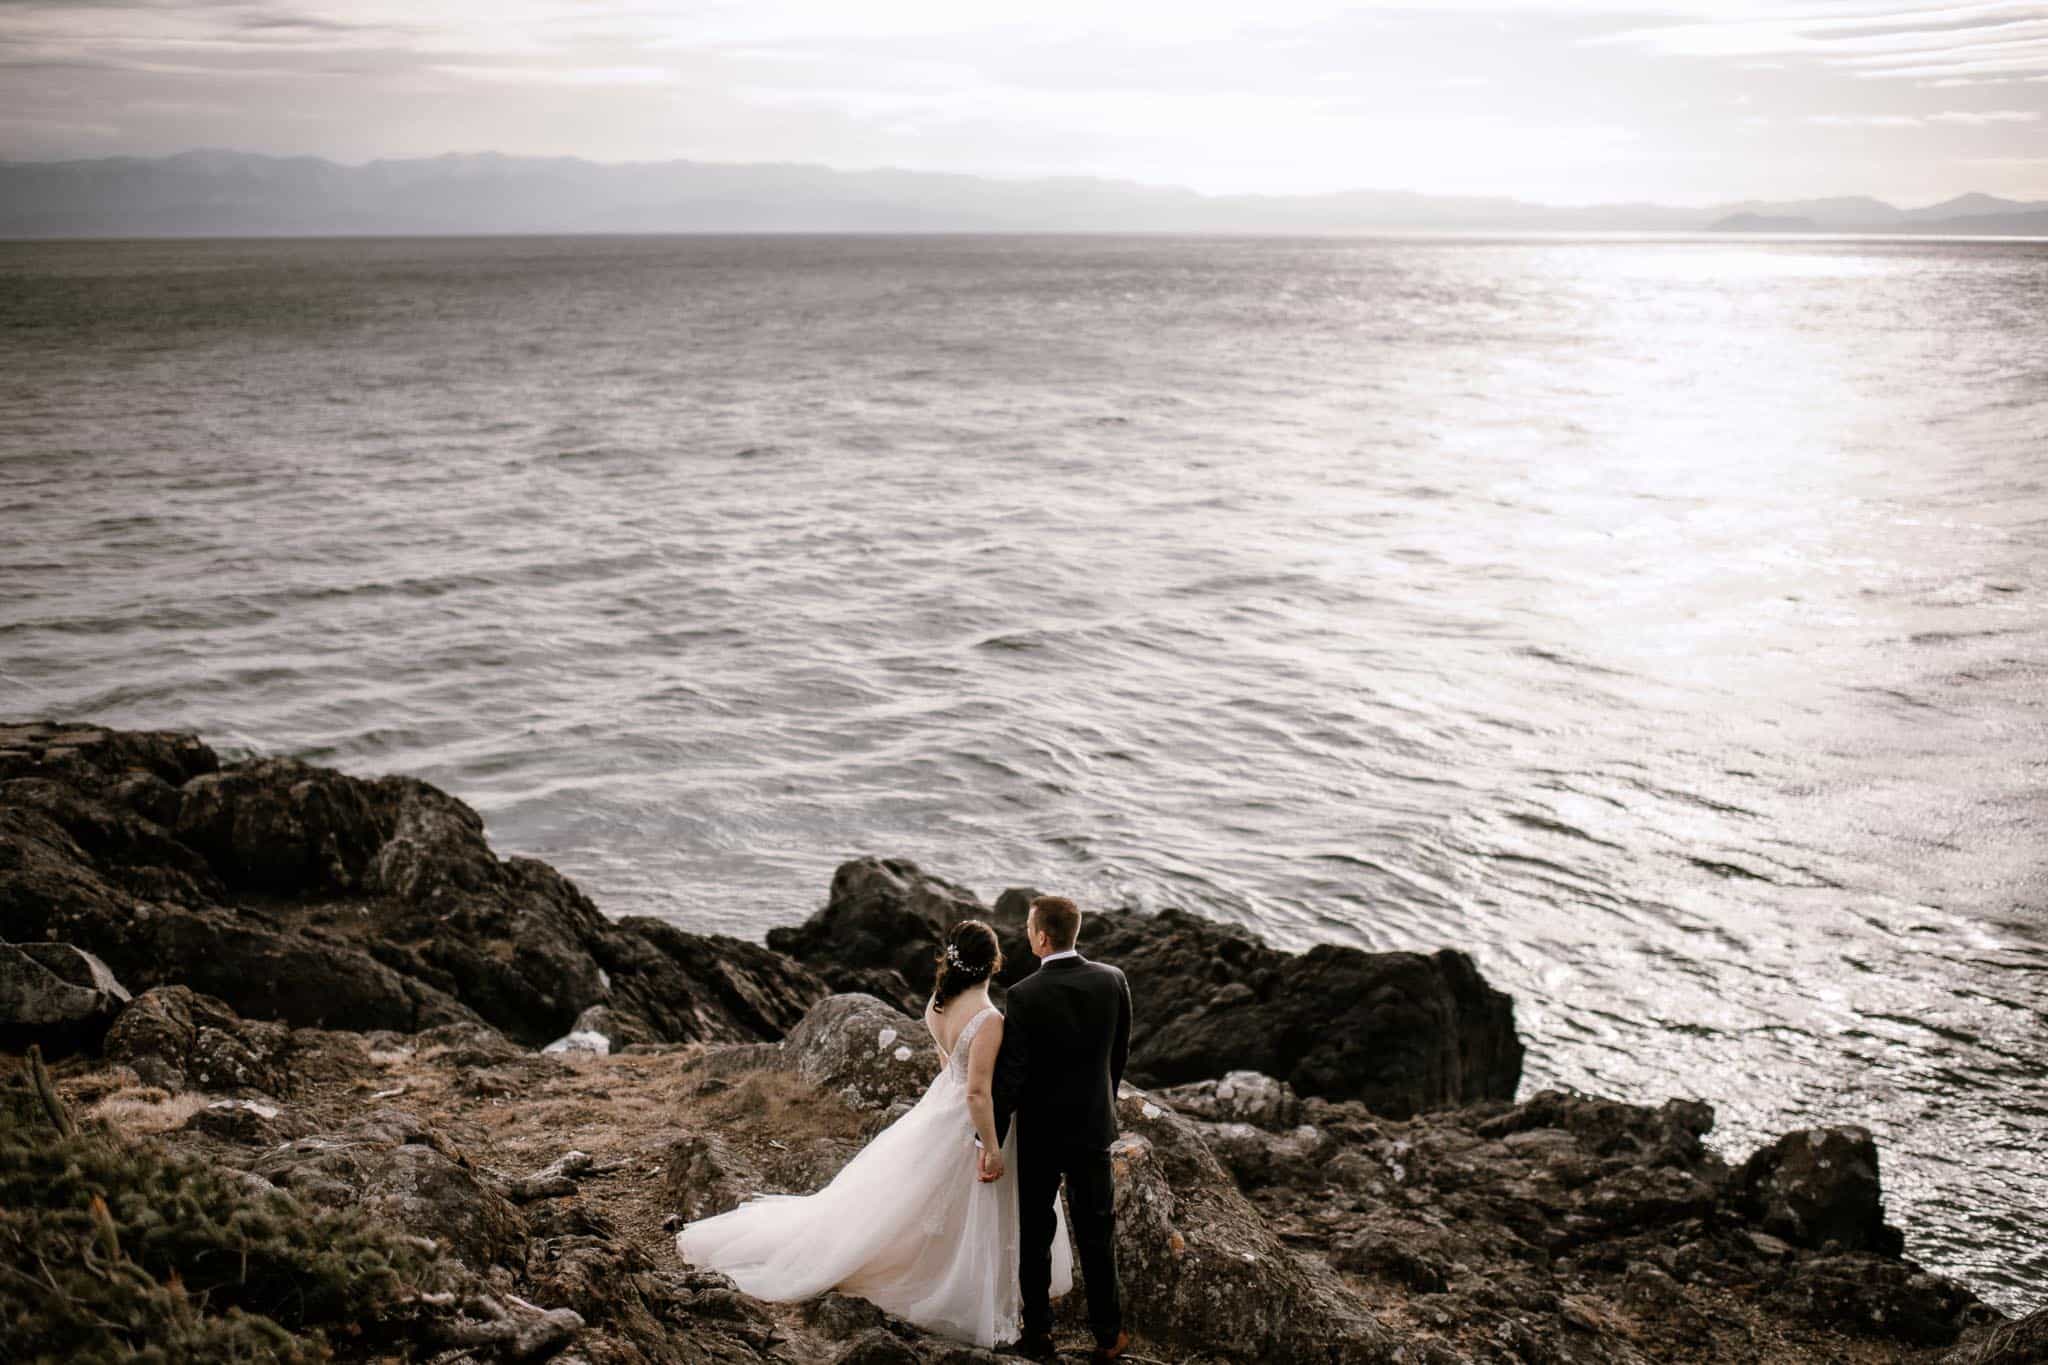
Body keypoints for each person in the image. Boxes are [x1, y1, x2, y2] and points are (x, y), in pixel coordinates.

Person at [674, 919, 1073, 1348]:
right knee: (961, 1208)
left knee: (915, 1204)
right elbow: (978, 1093)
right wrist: (991, 1147)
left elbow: (950, 1071)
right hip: (968, 1120)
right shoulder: (988, 1019)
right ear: (993, 962)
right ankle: (945, 1284)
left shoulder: (937, 1006)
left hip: (939, 1106)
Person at [986, 895, 1133, 1364]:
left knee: (1035, 1231)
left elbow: (1012, 1075)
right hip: (1092, 1127)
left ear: (1042, 937)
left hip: (1042, 1134)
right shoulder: (1113, 981)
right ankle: (1109, 1336)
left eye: (1029, 928)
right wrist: (1102, 1106)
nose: (1028, 934)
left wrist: (986, 1136)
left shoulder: (1024, 995)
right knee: (1097, 1232)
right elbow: (1118, 1056)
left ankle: (1040, 1335)